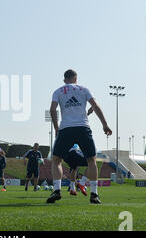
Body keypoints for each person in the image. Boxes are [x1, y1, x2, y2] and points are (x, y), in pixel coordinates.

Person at [47, 69, 112, 204]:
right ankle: (94, 194)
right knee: (91, 161)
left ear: (64, 80)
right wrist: (105, 125)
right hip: (83, 128)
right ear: (76, 79)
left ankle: (57, 190)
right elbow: (95, 106)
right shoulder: (84, 89)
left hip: (66, 129)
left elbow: (53, 110)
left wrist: (56, 128)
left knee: (56, 160)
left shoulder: (58, 91)